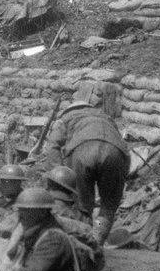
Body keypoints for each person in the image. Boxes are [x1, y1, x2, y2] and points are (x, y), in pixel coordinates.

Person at [45, 100, 129, 244]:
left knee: (82, 205)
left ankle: (85, 242)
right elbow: (122, 145)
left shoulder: (65, 118)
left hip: (82, 152)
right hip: (114, 153)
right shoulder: (106, 117)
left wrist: (59, 173)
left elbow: (52, 146)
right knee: (108, 206)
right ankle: (98, 241)